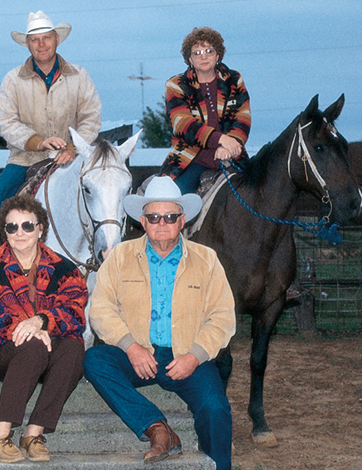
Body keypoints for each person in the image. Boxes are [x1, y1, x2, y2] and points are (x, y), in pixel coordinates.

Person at [82, 176, 236, 470]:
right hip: (140, 355)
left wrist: (195, 356)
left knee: (216, 409)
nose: (161, 222)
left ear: (182, 220)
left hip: (187, 356)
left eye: (170, 216)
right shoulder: (119, 257)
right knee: (95, 360)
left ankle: (220, 466)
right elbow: (100, 309)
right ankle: (157, 428)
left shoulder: (207, 260)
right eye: (154, 216)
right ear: (142, 220)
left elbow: (223, 316)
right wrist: (131, 347)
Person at [0, 195, 88, 463]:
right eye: (12, 227)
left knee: (75, 347)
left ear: (41, 228)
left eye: (28, 226)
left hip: (45, 348)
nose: (20, 233)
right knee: (33, 344)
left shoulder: (65, 270)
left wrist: (42, 321)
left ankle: (33, 433)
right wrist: (32, 328)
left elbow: (75, 313)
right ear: (4, 231)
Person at [0, 11, 101, 252]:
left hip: (71, 159)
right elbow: (6, 121)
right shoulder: (12, 80)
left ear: (57, 39)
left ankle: (102, 256)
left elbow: (90, 118)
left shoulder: (79, 77)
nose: (41, 44)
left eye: (46, 37)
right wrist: (37, 141)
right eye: (35, 39)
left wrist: (72, 148)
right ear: (27, 45)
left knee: (103, 198)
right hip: (24, 159)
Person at [160, 27, 251, 194]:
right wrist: (221, 140)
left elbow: (243, 117)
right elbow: (184, 124)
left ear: (218, 56)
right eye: (197, 52)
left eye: (209, 50)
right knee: (172, 201)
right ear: (190, 59)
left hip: (233, 157)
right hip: (190, 159)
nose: (204, 56)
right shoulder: (176, 85)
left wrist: (230, 145)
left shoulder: (234, 80)